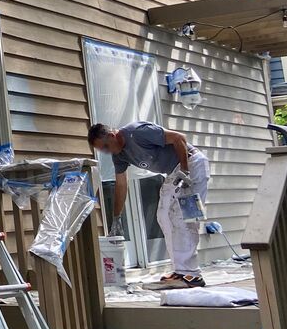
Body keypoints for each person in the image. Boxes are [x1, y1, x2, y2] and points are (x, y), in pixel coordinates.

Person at [88, 121, 211, 288]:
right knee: (164, 215)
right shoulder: (119, 155)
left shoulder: (137, 133)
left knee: (184, 217)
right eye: (102, 150)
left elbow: (178, 138)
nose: (106, 152)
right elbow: (121, 185)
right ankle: (180, 271)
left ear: (111, 135)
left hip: (192, 163)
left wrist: (185, 170)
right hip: (174, 172)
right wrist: (116, 218)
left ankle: (192, 274)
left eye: (105, 147)